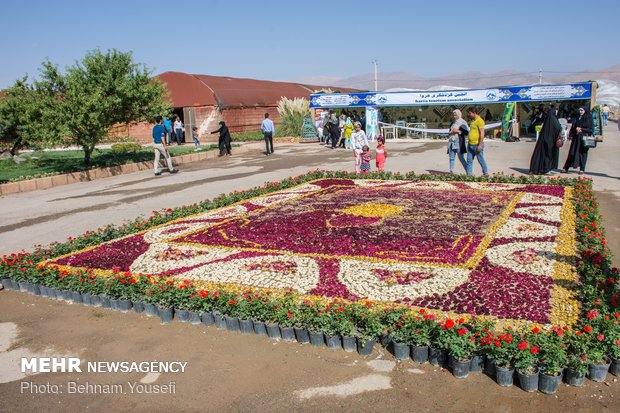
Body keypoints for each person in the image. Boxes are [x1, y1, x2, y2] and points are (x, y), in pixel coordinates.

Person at [529, 106, 561, 175]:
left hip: (547, 141)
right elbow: (558, 128)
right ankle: (546, 169)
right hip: (550, 141)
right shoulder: (553, 120)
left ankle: (545, 168)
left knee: (546, 155)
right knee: (548, 155)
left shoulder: (549, 119)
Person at [562, 106, 594, 175]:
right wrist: (574, 131)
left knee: (583, 154)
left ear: (585, 111)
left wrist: (582, 129)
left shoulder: (588, 118)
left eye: (582, 110)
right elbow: (573, 126)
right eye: (579, 110)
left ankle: (582, 169)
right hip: (576, 139)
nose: (580, 112)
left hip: (584, 139)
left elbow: (591, 129)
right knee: (572, 153)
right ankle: (566, 167)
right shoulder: (577, 117)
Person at [466, 107, 489, 176]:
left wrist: (480, 145)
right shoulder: (472, 121)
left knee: (480, 160)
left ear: (474, 112)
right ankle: (468, 175)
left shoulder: (480, 121)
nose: (469, 115)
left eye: (470, 113)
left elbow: (482, 133)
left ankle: (485, 173)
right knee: (469, 161)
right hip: (470, 145)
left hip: (477, 145)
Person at [448, 109, 468, 173]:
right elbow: (449, 131)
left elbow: (466, 132)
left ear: (459, 115)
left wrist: (458, 131)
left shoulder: (463, 122)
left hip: (459, 142)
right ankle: (451, 171)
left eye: (455, 115)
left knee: (461, 158)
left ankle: (468, 171)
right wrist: (451, 132)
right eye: (453, 115)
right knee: (451, 158)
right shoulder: (453, 122)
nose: (454, 117)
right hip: (451, 142)